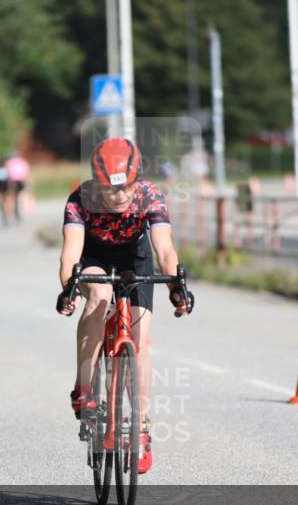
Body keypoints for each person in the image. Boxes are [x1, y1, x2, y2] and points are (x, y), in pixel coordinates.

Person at [56, 138, 194, 474]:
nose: (119, 197)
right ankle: (85, 388)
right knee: (100, 299)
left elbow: (164, 250)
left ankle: (142, 428)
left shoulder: (150, 196)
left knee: (139, 338)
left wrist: (177, 286)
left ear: (136, 181)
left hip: (137, 259)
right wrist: (69, 289)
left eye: (125, 188)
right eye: (110, 189)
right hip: (95, 259)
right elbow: (71, 253)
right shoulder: (81, 200)